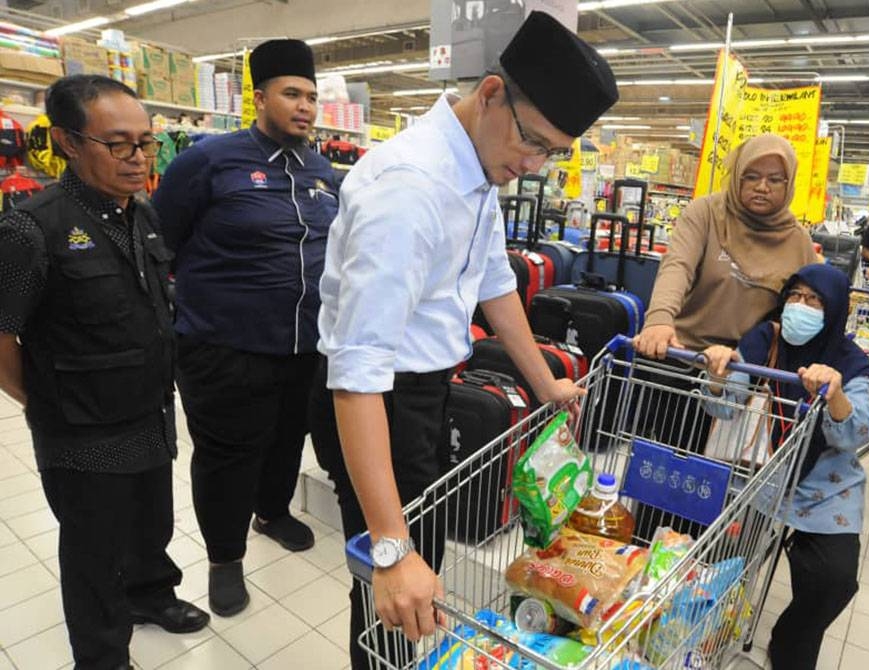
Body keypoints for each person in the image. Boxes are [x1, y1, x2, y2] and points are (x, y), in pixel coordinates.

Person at [311, 11, 611, 667]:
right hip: (376, 403)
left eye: (551, 154)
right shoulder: (410, 191)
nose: (532, 165)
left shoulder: (476, 165)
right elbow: (356, 374)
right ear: (492, 95)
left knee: (428, 561)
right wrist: (389, 550)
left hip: (419, 393)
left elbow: (494, 279)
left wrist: (545, 382)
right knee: (395, 596)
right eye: (533, 143)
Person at [0, 75, 208, 670]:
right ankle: (101, 655)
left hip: (148, 410)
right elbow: (2, 336)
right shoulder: (30, 229)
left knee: (151, 523)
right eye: (119, 145)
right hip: (81, 431)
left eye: (145, 142)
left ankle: (150, 595)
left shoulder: (139, 214)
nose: (139, 158)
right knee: (92, 552)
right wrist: (42, 401)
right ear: (67, 141)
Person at [153, 39, 339, 617]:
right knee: (228, 454)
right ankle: (224, 558)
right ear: (259, 98)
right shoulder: (207, 161)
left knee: (287, 439)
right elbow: (161, 243)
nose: (305, 106)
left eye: (311, 96)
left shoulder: (320, 169)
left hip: (302, 345)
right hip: (223, 347)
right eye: (291, 94)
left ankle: (273, 511)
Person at [701, 263, 869, 670]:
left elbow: (857, 432)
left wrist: (834, 393)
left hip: (825, 486)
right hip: (762, 474)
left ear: (834, 309)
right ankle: (706, 633)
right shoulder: (765, 338)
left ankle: (790, 641)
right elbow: (721, 409)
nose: (801, 306)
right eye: (794, 296)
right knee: (722, 557)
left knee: (833, 580)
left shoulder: (851, 362)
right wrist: (717, 376)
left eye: (814, 300)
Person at [633, 133, 816, 357]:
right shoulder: (706, 213)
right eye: (751, 176)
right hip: (682, 353)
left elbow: (809, 304)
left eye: (775, 179)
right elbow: (677, 266)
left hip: (745, 368)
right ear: (737, 176)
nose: (762, 187)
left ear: (789, 184)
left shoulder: (799, 241)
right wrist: (659, 318)